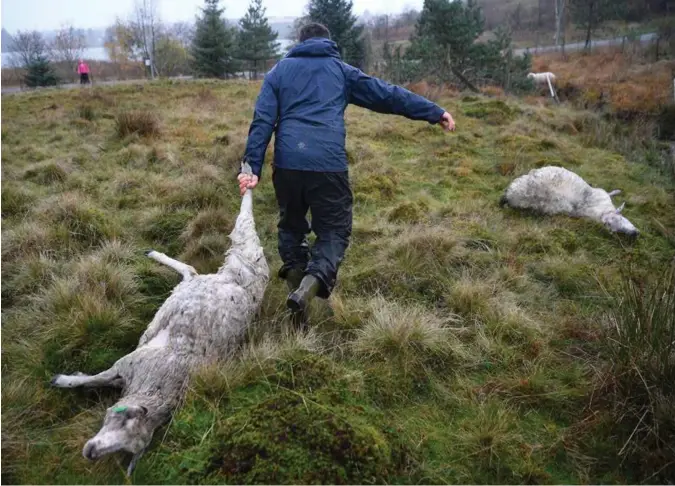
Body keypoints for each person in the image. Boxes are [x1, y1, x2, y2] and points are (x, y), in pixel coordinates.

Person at [238, 22, 456, 316]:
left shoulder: (278, 72)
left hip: (288, 164)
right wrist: (434, 111)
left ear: (300, 42)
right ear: (328, 43)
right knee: (334, 232)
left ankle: (295, 286)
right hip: (328, 165)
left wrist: (251, 167)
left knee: (291, 226)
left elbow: (262, 121)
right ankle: (311, 284)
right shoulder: (341, 71)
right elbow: (387, 95)